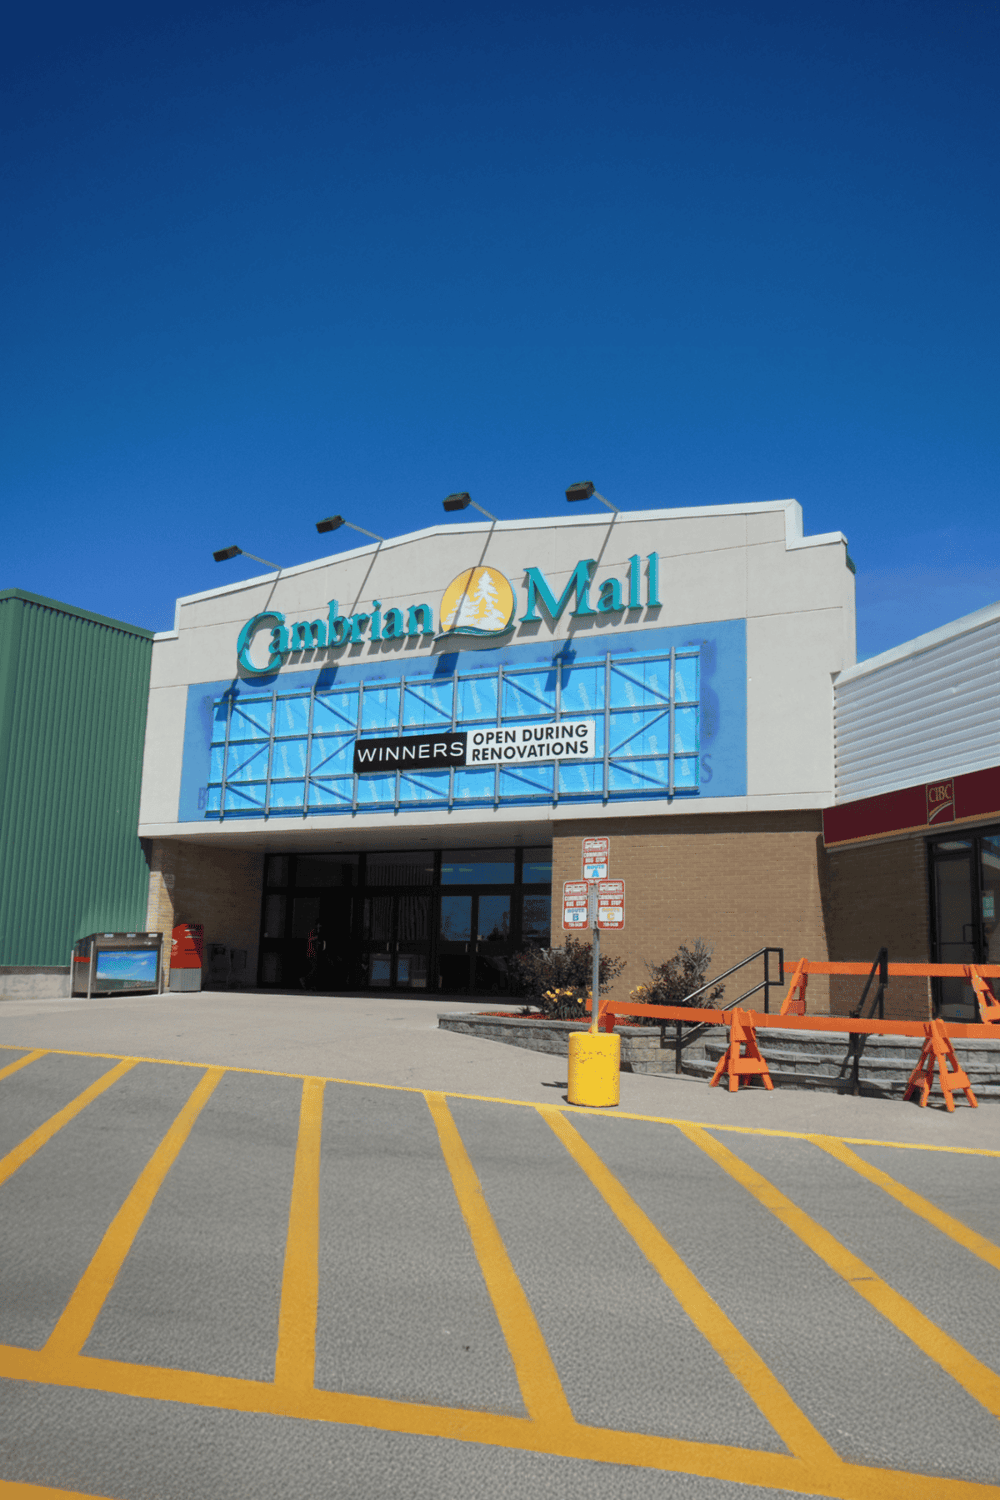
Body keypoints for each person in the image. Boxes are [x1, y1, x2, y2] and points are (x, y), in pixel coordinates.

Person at [300, 922, 325, 989]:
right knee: (315, 968)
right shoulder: (313, 932)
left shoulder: (320, 932)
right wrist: (316, 938)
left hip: (317, 952)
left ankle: (311, 984)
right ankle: (305, 980)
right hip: (312, 953)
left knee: (316, 969)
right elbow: (309, 939)